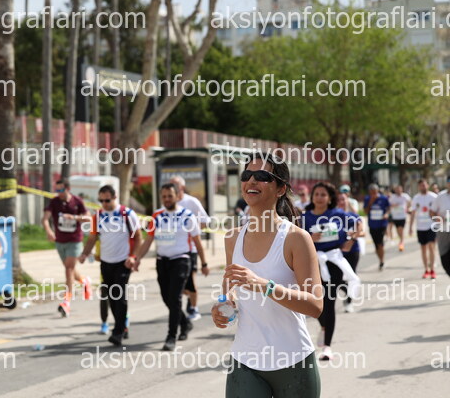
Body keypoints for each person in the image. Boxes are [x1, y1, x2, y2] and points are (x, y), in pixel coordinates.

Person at [213, 152, 322, 398]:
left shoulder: (296, 238)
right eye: (247, 175)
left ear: (280, 189)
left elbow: (315, 305)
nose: (251, 181)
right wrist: (223, 307)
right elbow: (230, 289)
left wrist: (265, 286)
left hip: (293, 360)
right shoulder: (232, 238)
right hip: (245, 360)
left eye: (262, 176)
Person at [134, 183, 207, 351]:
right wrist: (137, 259)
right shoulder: (157, 216)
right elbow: (148, 241)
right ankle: (185, 322)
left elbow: (197, 242)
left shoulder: (187, 216)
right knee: (167, 298)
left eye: (170, 196)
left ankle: (171, 337)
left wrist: (204, 263)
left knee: (174, 298)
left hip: (181, 260)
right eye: (164, 196)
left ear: (177, 196)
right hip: (162, 261)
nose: (167, 199)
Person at [302, 182, 361, 360]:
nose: (319, 198)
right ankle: (323, 326)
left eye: (323, 194)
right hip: (313, 262)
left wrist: (351, 239)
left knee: (329, 302)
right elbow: (294, 239)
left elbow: (358, 223)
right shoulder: (305, 217)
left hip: (333, 262)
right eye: (316, 194)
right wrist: (309, 238)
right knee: (313, 304)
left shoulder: (338, 214)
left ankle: (327, 347)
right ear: (312, 197)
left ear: (329, 198)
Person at [78, 185, 141, 346]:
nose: (104, 204)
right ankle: (122, 326)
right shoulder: (98, 216)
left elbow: (138, 237)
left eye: (107, 200)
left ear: (115, 197)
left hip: (123, 262)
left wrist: (133, 257)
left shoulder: (127, 214)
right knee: (112, 297)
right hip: (106, 262)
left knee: (119, 296)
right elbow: (92, 238)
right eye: (101, 201)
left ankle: (118, 332)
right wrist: (84, 253)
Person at [42, 179, 92, 317]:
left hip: (74, 240)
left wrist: (74, 217)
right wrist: (49, 231)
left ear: (68, 189)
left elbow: (88, 218)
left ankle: (66, 302)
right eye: (56, 190)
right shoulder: (54, 202)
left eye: (61, 189)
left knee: (68, 269)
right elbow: (45, 218)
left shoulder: (77, 201)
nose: (58, 192)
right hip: (60, 241)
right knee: (70, 269)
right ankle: (84, 281)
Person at [168, 176, 210, 321]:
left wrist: (193, 231)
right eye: (170, 184)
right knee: (178, 282)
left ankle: (194, 308)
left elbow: (205, 221)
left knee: (190, 279)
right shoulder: (169, 203)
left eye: (175, 185)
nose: (172, 187)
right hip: (173, 249)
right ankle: (186, 301)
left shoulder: (191, 202)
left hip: (190, 248)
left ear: (182, 187)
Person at [337, 193, 365, 313]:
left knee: (351, 275)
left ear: (347, 201)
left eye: (343, 199)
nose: (341, 202)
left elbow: (363, 233)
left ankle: (349, 302)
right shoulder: (333, 217)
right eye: (339, 200)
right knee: (337, 278)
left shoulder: (353, 216)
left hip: (353, 250)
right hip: (338, 251)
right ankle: (349, 291)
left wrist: (353, 235)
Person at [409, 179, 438, 279]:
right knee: (423, 248)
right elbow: (413, 213)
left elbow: (438, 210)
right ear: (418, 187)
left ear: (428, 185)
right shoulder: (416, 198)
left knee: (431, 247)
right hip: (420, 227)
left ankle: (432, 269)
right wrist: (410, 227)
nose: (423, 187)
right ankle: (426, 269)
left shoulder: (433, 197)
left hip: (431, 226)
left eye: (424, 185)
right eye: (421, 185)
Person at [364, 183, 390, 270]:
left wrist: (386, 214)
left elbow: (388, 208)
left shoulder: (383, 198)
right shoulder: (367, 199)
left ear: (377, 191)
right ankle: (380, 259)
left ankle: (382, 261)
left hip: (382, 224)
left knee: (380, 243)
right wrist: (371, 202)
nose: (373, 194)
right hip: (372, 225)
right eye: (371, 192)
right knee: (376, 245)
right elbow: (365, 211)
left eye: (375, 192)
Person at [431, 176, 450, 277]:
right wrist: (438, 218)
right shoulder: (441, 196)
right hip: (443, 230)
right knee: (444, 257)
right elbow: (432, 212)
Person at [388, 185, 411, 252]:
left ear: (401, 189)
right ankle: (401, 240)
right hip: (395, 216)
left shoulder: (405, 196)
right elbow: (389, 205)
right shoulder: (392, 197)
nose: (398, 191)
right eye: (397, 189)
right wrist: (394, 205)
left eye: (399, 189)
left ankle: (401, 242)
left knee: (401, 229)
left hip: (402, 216)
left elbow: (410, 202)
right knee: (398, 230)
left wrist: (408, 208)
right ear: (395, 190)